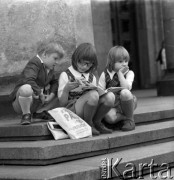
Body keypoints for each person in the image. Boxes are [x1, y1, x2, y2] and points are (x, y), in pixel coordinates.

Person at [58, 43, 114, 135]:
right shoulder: (66, 75)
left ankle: (97, 122)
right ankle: (88, 125)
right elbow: (62, 104)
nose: (83, 66)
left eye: (87, 64)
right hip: (73, 111)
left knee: (110, 97)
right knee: (93, 95)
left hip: (90, 109)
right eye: (80, 62)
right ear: (75, 58)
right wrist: (66, 89)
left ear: (93, 64)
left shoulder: (92, 77)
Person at [10, 41, 64, 125]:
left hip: (37, 101)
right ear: (45, 54)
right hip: (21, 102)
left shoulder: (49, 67)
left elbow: (55, 82)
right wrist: (40, 93)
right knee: (26, 89)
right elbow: (28, 79)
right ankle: (26, 115)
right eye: (55, 58)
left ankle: (39, 113)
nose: (57, 62)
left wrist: (51, 95)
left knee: (61, 90)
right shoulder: (35, 62)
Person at [98, 46, 137, 131]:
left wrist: (119, 73)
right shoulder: (105, 74)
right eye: (120, 61)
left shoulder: (130, 73)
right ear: (112, 62)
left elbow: (126, 88)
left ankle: (130, 120)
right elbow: (100, 91)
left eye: (126, 61)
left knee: (125, 92)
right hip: (113, 105)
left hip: (127, 102)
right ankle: (126, 117)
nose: (124, 64)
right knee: (109, 118)